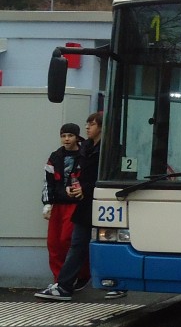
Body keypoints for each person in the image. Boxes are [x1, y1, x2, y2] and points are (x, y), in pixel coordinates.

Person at [36, 112, 125, 301]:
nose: (87, 127)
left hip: (104, 200)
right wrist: (75, 188)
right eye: (87, 124)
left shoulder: (111, 149)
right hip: (83, 202)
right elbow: (78, 175)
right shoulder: (86, 147)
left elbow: (110, 176)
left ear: (102, 126)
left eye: (91, 124)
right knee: (76, 243)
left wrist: (84, 188)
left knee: (109, 241)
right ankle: (64, 285)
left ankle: (118, 282)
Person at [40, 122, 84, 285]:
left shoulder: (84, 156)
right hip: (57, 204)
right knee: (53, 243)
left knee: (68, 239)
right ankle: (59, 279)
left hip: (75, 204)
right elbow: (47, 181)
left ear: (77, 138)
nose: (66, 139)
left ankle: (77, 276)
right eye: (63, 136)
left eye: (70, 136)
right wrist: (47, 203)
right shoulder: (55, 157)